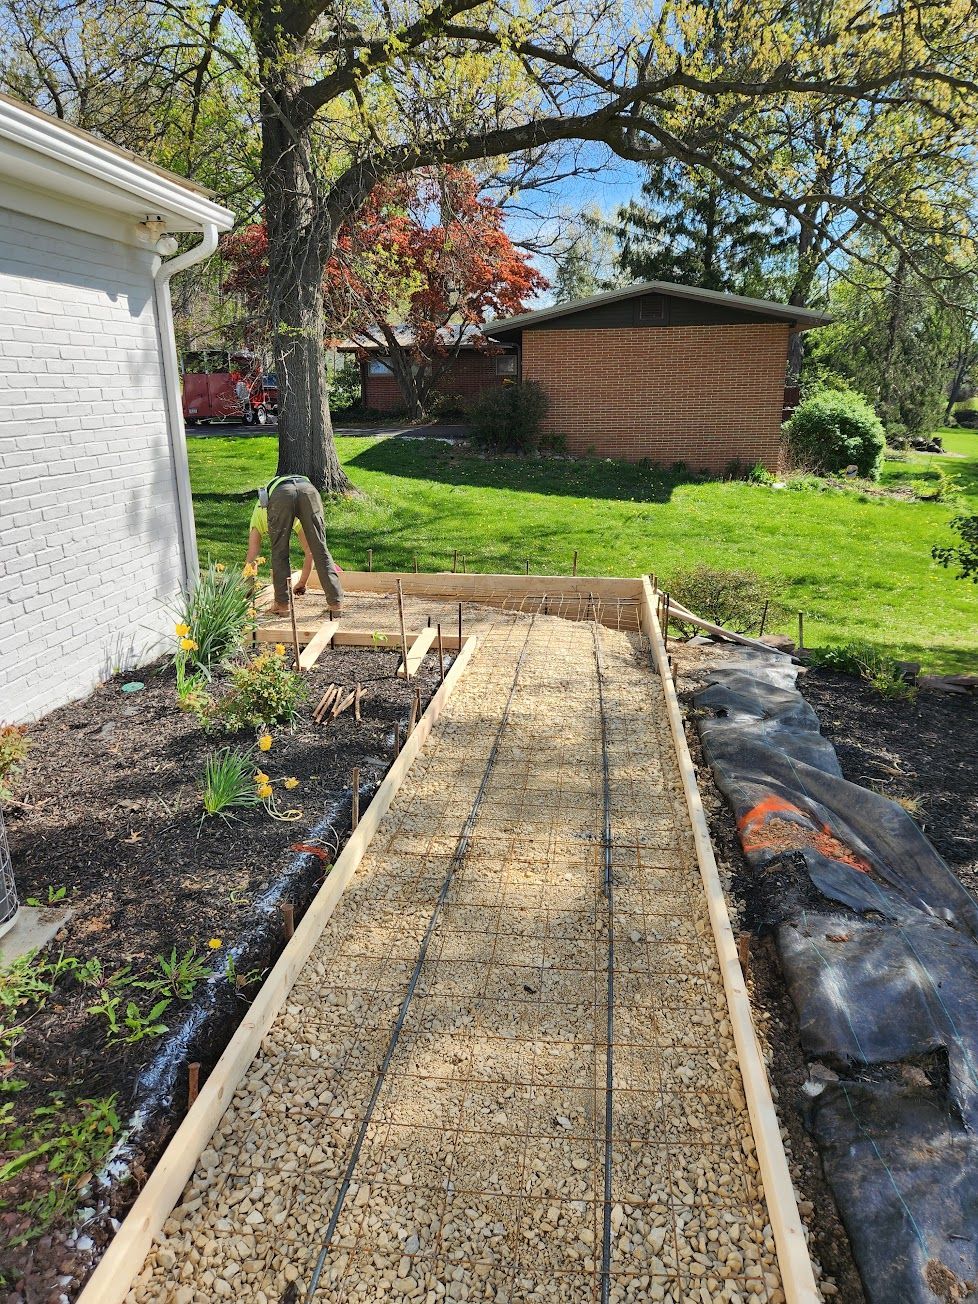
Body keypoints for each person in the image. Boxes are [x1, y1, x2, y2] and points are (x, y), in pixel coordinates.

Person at [245, 475, 343, 617]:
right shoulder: (296, 518)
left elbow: (252, 556)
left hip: (281, 494)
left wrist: (248, 591)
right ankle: (336, 603)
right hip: (308, 490)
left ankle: (282, 606)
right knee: (320, 547)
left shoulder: (258, 517)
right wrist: (302, 583)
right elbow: (310, 551)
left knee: (279, 552)